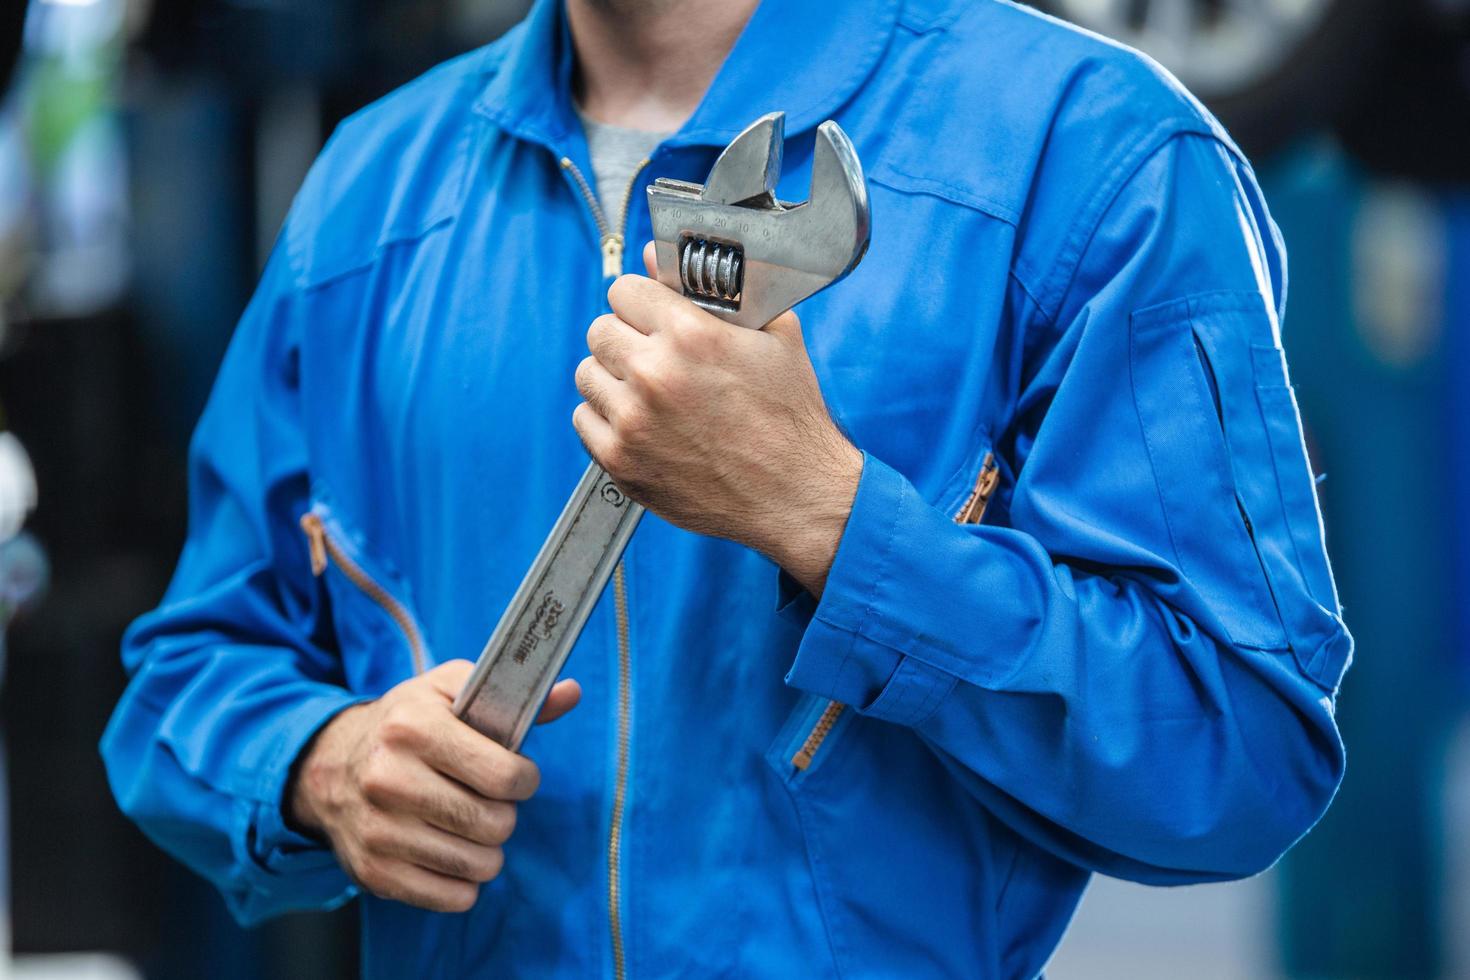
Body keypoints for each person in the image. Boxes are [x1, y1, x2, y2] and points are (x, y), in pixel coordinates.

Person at [101, 0, 1354, 975]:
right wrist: (322, 762)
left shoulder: (1090, 153)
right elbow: (182, 681)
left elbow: (1241, 743)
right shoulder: (368, 196)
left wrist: (828, 517)